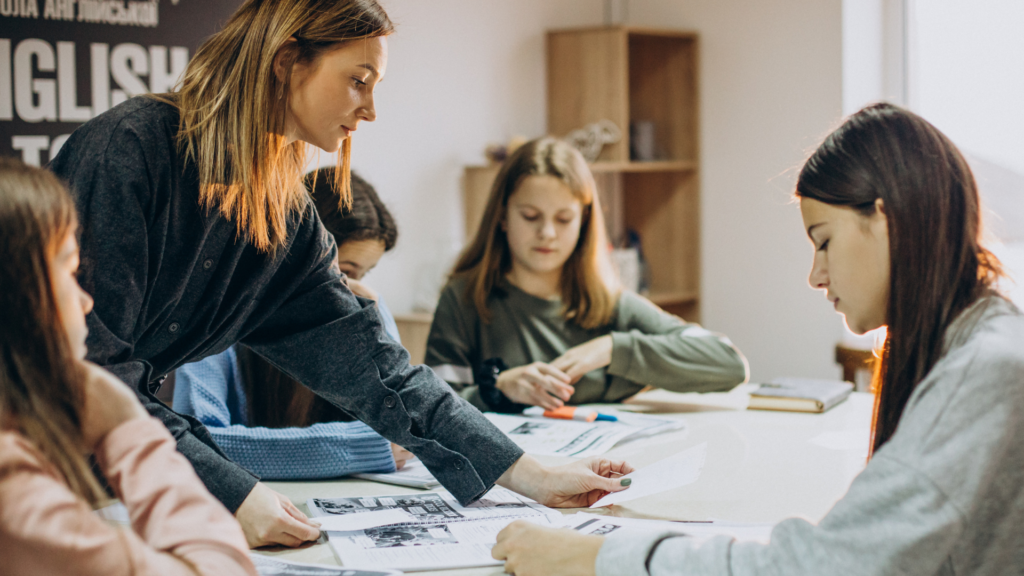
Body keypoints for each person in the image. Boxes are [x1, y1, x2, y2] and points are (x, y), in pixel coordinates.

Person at [47, 0, 632, 550]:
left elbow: (379, 371)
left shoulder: (283, 213)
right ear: (286, 63)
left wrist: (530, 474)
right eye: (358, 81)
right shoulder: (129, 149)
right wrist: (230, 493)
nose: (370, 109)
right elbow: (89, 375)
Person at [491, 104, 1024, 575]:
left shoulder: (983, 372)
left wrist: (593, 560)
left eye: (824, 242)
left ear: (884, 221)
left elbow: (827, 565)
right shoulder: (972, 341)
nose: (815, 276)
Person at [0, 158, 256, 576]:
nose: (86, 301)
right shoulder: (14, 494)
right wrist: (127, 427)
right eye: (69, 270)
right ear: (19, 294)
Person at [425, 137, 747, 412]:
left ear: (583, 223)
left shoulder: (610, 304)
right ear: (503, 217)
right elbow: (430, 408)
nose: (547, 233)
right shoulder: (464, 299)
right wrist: (498, 389)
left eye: (564, 219)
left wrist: (611, 349)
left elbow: (730, 364)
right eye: (530, 216)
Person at [173, 169, 414, 479]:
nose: (353, 289)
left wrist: (373, 331)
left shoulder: (369, 308)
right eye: (345, 271)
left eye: (363, 275)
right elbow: (198, 447)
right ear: (295, 255)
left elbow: (402, 430)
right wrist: (363, 449)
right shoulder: (214, 315)